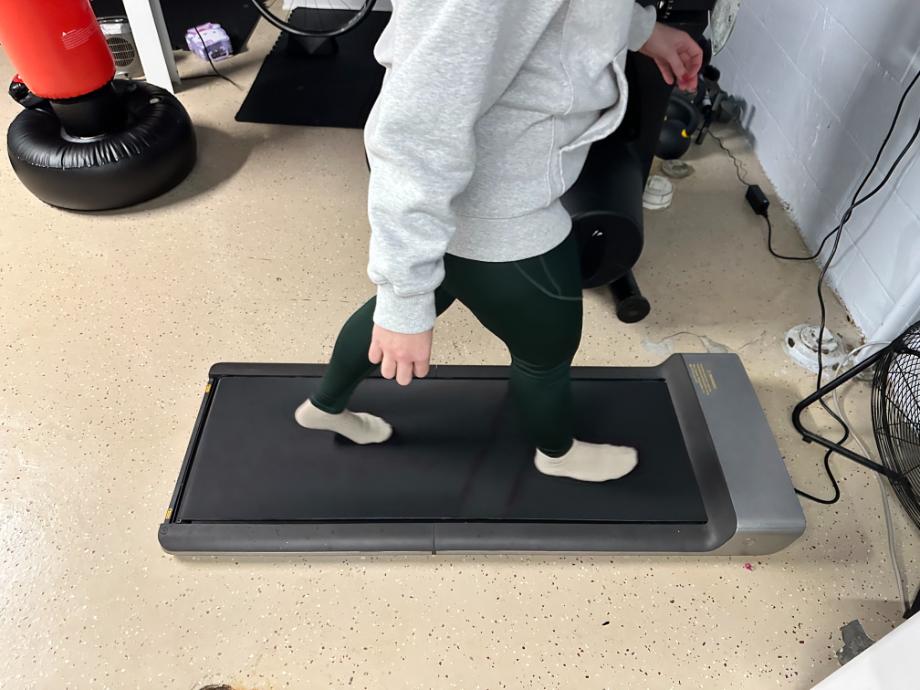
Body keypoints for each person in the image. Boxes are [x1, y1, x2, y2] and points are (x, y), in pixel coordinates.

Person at [296, 0, 703, 482]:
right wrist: (403, 291)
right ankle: (558, 454)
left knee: (424, 293)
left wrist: (641, 29)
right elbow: (417, 128)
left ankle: (325, 405)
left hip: (465, 200)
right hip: (501, 212)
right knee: (547, 349)